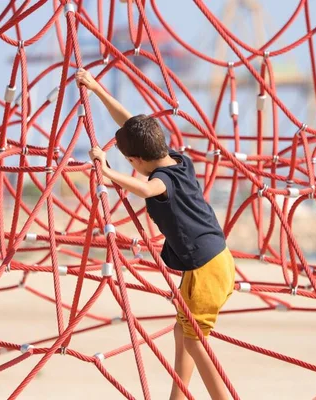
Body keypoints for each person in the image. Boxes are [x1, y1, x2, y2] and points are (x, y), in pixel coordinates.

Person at [76, 68, 235, 400]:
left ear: (135, 160)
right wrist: (96, 89)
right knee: (183, 332)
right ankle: (178, 396)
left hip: (205, 270)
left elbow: (148, 188)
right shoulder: (177, 158)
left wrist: (107, 172)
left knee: (194, 339)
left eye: (128, 162)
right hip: (217, 260)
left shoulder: (161, 181)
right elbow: (132, 122)